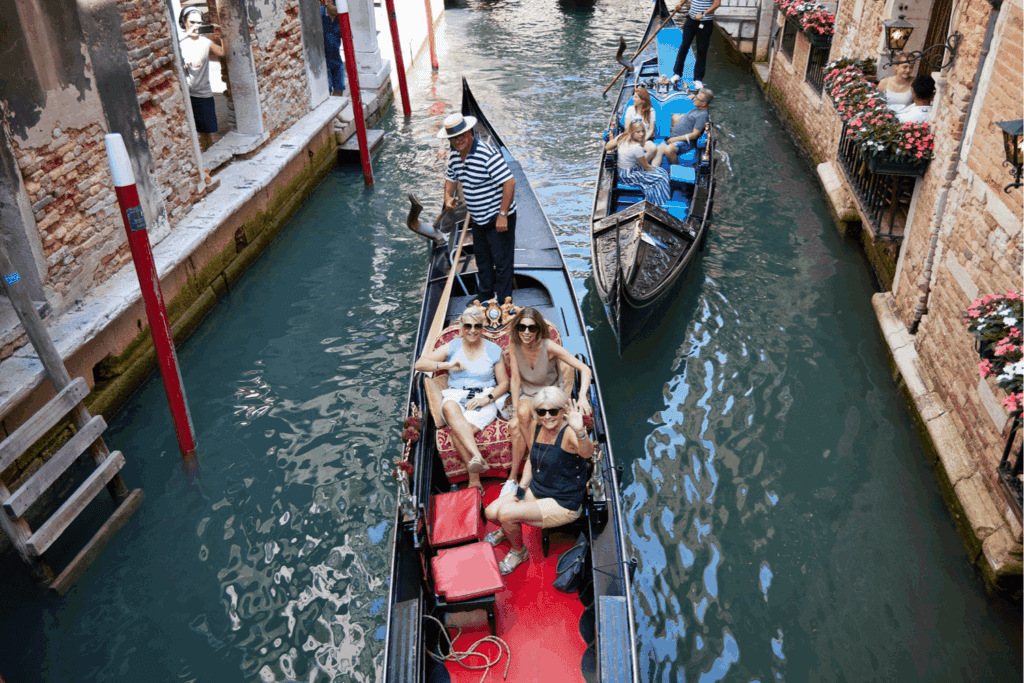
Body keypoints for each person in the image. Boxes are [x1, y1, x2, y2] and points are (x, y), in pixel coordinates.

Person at [484, 387, 593, 575]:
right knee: (491, 512)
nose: (547, 416)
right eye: (542, 411)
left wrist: (580, 431)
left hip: (563, 501)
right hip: (538, 489)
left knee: (506, 513)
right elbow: (531, 460)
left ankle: (519, 552)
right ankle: (507, 529)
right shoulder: (537, 427)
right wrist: (521, 489)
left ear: (562, 411)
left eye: (553, 411)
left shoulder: (569, 433)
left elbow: (587, 453)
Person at [415, 306, 509, 491]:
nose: (472, 330)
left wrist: (487, 399)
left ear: (483, 327)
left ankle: (474, 480)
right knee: (448, 406)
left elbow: (504, 383)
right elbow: (420, 364)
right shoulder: (453, 346)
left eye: (477, 326)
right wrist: (447, 364)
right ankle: (478, 457)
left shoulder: (493, 350)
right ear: (462, 327)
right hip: (457, 395)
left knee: (457, 434)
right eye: (468, 326)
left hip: (483, 397)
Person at [505, 307, 592, 488]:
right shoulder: (514, 345)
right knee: (520, 414)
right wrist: (513, 410)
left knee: (518, 426)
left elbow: (585, 368)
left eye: (532, 328)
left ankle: (525, 471)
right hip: (528, 394)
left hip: (550, 395)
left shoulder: (549, 347)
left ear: (539, 329)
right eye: (522, 327)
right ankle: (537, 460)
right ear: (517, 328)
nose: (526, 333)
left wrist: (582, 396)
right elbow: (515, 379)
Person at [438, 113, 517, 304]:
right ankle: (485, 297)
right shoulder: (455, 157)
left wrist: (503, 215)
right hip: (479, 219)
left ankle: (504, 303)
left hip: (498, 216)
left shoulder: (486, 154)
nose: (458, 142)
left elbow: (510, 182)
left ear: (469, 133)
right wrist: (447, 197)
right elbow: (450, 178)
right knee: (482, 260)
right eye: (453, 138)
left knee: (502, 262)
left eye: (461, 136)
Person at [179, 7, 225, 152]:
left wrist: (222, 35)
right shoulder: (180, 44)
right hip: (186, 96)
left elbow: (222, 52)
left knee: (207, 131)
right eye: (192, 22)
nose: (196, 26)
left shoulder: (205, 42)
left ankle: (209, 156)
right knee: (191, 132)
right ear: (184, 22)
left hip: (204, 93)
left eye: (199, 23)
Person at [604, 120, 670, 206]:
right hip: (628, 175)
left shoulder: (621, 137)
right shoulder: (636, 148)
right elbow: (646, 167)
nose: (641, 134)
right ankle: (657, 203)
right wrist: (656, 174)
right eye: (638, 132)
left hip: (622, 171)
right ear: (632, 132)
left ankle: (659, 200)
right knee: (661, 178)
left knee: (663, 172)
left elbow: (607, 146)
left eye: (642, 131)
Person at [671, 0, 721, 90]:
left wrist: (703, 14)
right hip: (691, 20)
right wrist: (680, 4)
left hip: (705, 23)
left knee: (701, 50)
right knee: (684, 45)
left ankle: (698, 79)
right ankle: (677, 73)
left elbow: (717, 4)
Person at [659, 88, 713, 165]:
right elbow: (698, 99)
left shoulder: (702, 115)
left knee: (668, 150)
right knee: (657, 150)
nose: (695, 99)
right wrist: (694, 96)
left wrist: (674, 139)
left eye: (697, 99)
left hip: (685, 143)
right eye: (696, 97)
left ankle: (675, 167)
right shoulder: (699, 107)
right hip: (675, 138)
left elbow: (694, 135)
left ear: (704, 104)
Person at [320, 0, 345, 96]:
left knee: (339, 87)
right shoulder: (318, 14)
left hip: (336, 57)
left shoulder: (341, 17)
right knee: (327, 89)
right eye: (334, 3)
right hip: (322, 59)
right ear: (327, 2)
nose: (336, 7)